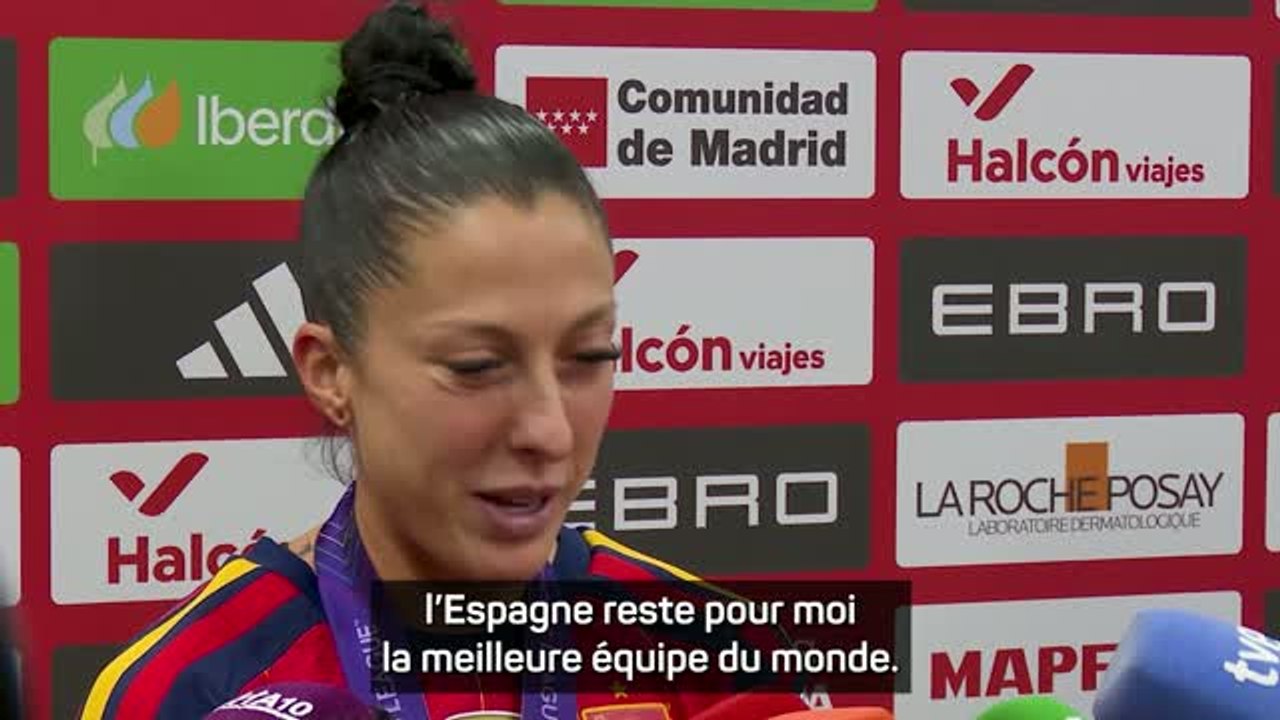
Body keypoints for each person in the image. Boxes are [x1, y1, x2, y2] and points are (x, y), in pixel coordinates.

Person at [78, 2, 805, 719]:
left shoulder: (712, 656)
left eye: (588, 356)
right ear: (331, 372)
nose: (551, 432)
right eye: (478, 366)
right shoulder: (186, 690)